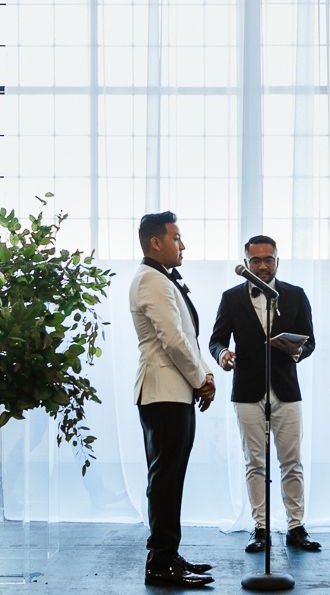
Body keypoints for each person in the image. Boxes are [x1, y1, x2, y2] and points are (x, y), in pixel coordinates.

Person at [209, 235, 320, 552]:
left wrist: (298, 352)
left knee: (292, 461)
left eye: (267, 259)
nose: (261, 265)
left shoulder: (296, 295)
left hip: (286, 389)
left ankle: (296, 527)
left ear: (277, 261)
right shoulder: (231, 298)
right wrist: (222, 356)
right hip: (246, 390)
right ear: (246, 264)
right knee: (254, 462)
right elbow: (216, 340)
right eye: (255, 260)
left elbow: (310, 340)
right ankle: (260, 528)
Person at [129, 211, 216, 588]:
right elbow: (173, 340)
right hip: (163, 393)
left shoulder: (160, 279)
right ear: (156, 242)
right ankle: (160, 562)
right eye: (177, 237)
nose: (183, 245)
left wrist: (205, 374)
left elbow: (187, 339)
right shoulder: (151, 281)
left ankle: (169, 555)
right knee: (165, 480)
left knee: (170, 478)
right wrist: (200, 380)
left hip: (173, 393)